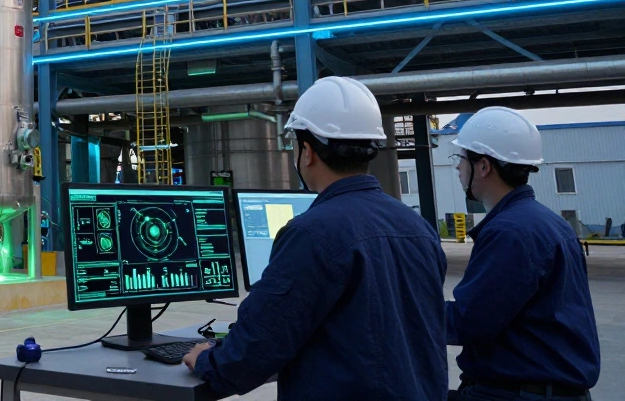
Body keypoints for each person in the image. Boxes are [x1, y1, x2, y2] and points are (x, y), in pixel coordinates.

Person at [183, 76, 447, 400]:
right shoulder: (418, 228)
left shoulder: (311, 233)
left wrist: (208, 360)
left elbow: (255, 350)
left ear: (306, 152)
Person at [446, 107, 600, 400]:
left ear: (483, 166)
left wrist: (407, 310)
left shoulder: (510, 233)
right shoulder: (549, 223)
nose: (457, 168)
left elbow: (469, 322)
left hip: (516, 392)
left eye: (460, 158)